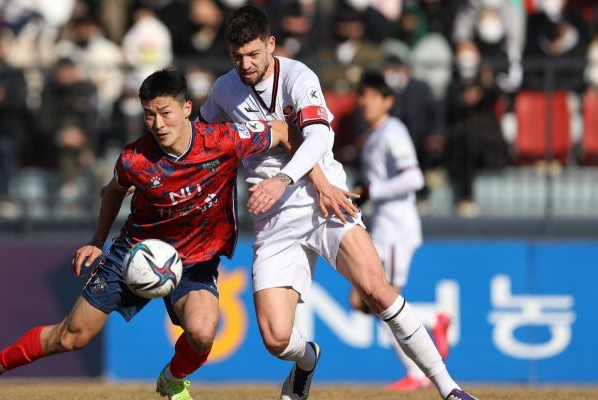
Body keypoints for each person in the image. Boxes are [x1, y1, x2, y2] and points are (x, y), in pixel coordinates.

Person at [0, 67, 320, 400]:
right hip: (134, 254)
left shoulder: (224, 140)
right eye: (149, 115)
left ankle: (173, 380)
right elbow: (113, 192)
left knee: (204, 333)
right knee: (70, 337)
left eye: (165, 113)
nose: (158, 124)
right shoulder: (135, 159)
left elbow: (284, 131)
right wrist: (96, 242)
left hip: (195, 260)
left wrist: (314, 182)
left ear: (187, 108)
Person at [198, 6, 478, 400]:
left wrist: (284, 178)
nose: (245, 64)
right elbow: (202, 140)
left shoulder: (298, 77)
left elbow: (319, 138)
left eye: (253, 54)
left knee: (378, 292)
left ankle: (450, 389)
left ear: (271, 45)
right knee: (276, 338)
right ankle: (307, 359)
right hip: (273, 221)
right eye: (237, 56)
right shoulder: (223, 90)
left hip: (324, 203)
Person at [350, 72, 451, 391]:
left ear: (388, 101)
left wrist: (372, 189)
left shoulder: (394, 131)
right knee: (364, 299)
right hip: (382, 227)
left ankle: (416, 371)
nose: (365, 101)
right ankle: (434, 321)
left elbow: (414, 179)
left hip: (395, 229)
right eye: (362, 95)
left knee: (382, 299)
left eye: (372, 95)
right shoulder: (373, 135)